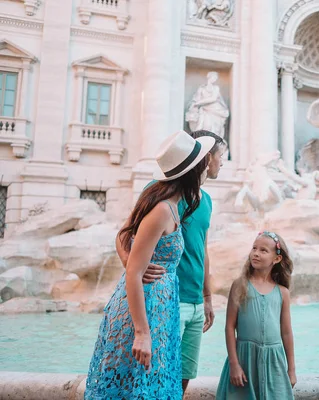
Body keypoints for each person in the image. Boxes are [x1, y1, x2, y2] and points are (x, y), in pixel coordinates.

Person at [85, 130, 216, 399]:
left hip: (162, 308)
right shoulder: (161, 209)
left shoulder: (175, 205)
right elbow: (133, 271)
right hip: (148, 307)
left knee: (153, 386)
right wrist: (142, 333)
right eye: (203, 164)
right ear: (192, 173)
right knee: (136, 388)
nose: (209, 167)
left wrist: (207, 296)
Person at [115, 130, 228, 394]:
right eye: (221, 155)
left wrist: (207, 297)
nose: (223, 162)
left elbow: (203, 249)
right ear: (206, 158)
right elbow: (124, 234)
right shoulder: (160, 195)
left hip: (195, 301)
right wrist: (133, 266)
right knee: (154, 375)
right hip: (167, 300)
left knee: (185, 375)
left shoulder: (207, 201)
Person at [216, 231, 296, 400]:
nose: (256, 253)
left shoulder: (283, 293)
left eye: (263, 250)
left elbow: (287, 333)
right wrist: (234, 364)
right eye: (254, 248)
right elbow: (230, 327)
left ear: (277, 259)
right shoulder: (240, 286)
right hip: (244, 360)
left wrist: (291, 369)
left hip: (274, 362)